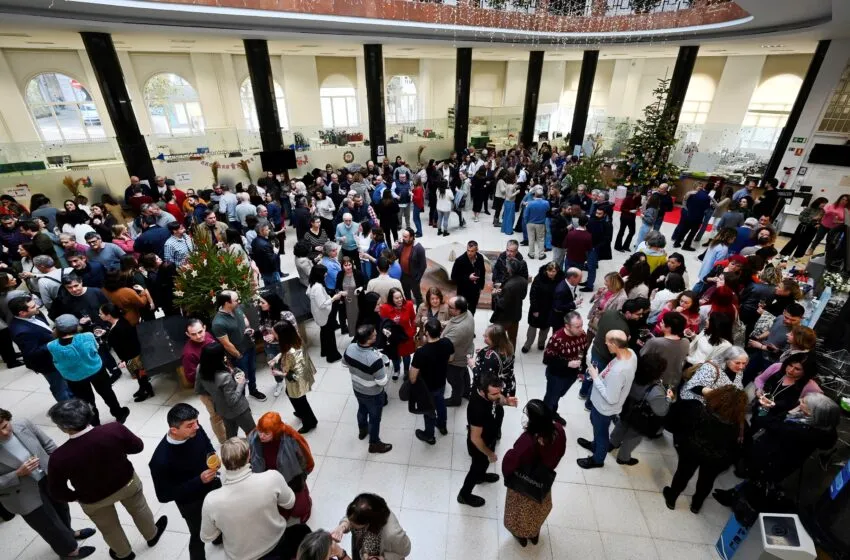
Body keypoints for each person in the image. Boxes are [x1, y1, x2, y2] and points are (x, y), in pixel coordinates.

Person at [47, 399, 168, 560]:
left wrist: (75, 496)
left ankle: (124, 554)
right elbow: (138, 447)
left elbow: (57, 490)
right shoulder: (113, 429)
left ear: (64, 427)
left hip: (93, 499)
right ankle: (152, 535)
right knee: (140, 509)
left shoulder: (58, 457)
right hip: (127, 483)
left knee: (109, 527)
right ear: (90, 414)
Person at [0, 407, 97, 559]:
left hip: (47, 476)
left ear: (8, 419)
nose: (4, 433)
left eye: (5, 426)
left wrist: (56, 466)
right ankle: (69, 552)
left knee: (62, 508)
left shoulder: (23, 424)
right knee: (47, 522)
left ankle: (69, 533)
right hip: (21, 491)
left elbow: (48, 445)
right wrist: (17, 474)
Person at [200, 437, 297, 560]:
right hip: (276, 542)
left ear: (223, 462)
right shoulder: (272, 478)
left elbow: (207, 537)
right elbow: (290, 503)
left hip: (240, 556)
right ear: (249, 455)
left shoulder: (211, 500)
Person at [148, 404, 219, 560]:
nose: (197, 427)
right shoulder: (160, 460)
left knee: (218, 519)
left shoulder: (195, 431)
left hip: (213, 487)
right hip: (191, 503)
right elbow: (164, 495)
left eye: (196, 421)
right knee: (198, 534)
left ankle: (218, 538)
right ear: (174, 430)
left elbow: (206, 444)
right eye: (190, 425)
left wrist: (212, 454)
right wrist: (198, 481)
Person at [663, 386, 747, 513]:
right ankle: (696, 505)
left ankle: (671, 498)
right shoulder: (740, 426)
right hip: (716, 459)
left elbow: (680, 425)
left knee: (683, 474)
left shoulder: (699, 410)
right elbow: (736, 449)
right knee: (706, 482)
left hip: (692, 450)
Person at [501, 399, 566, 547]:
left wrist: (508, 475)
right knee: (536, 513)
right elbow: (561, 452)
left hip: (524, 485)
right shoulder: (559, 430)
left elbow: (511, 463)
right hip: (542, 481)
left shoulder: (527, 441)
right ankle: (534, 534)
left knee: (519, 514)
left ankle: (521, 537)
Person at [47, 314, 129, 426]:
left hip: (74, 377)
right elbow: (96, 348)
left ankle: (95, 423)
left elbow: (56, 360)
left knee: (86, 401)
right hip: (96, 370)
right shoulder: (87, 336)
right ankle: (119, 414)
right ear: (76, 326)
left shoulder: (51, 345)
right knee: (107, 393)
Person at [577, 330, 638, 469]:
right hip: (600, 403)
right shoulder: (631, 353)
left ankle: (598, 459)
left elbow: (611, 398)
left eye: (608, 341)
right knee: (598, 429)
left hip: (604, 408)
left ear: (615, 344)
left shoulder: (619, 371)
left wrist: (595, 378)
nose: (605, 343)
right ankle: (595, 446)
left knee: (601, 433)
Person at [457, 375, 518, 508]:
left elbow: (498, 399)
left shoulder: (491, 394)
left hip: (490, 438)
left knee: (483, 465)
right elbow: (475, 438)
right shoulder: (477, 408)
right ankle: (464, 494)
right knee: (476, 468)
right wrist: (489, 453)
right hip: (480, 446)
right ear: (483, 391)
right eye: (494, 393)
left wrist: (507, 401)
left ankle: (481, 476)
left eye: (499, 391)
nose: (498, 395)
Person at [248, 412, 315, 524]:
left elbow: (305, 455)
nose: (261, 436)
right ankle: (285, 511)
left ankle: (304, 510)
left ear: (275, 432)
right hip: (268, 478)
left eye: (266, 433)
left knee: (299, 500)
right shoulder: (254, 437)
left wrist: (306, 471)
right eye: (260, 431)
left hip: (291, 476)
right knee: (278, 499)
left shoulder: (291, 437)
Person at [609, 353, 672, 466]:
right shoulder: (655, 391)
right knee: (633, 437)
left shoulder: (631, 375)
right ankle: (623, 458)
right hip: (640, 418)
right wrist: (668, 398)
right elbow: (661, 410)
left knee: (621, 425)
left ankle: (612, 443)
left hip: (625, 409)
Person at [7, 296, 73, 402]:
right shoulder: (21, 331)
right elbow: (32, 352)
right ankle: (68, 409)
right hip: (48, 364)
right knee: (60, 388)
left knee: (67, 383)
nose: (37, 306)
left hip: (56, 358)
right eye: (33, 306)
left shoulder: (34, 315)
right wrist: (54, 342)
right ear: (22, 313)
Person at [342, 325, 393, 454]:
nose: (376, 335)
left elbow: (344, 364)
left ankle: (362, 430)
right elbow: (382, 382)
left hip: (357, 388)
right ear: (369, 340)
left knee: (362, 409)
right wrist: (384, 366)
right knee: (375, 419)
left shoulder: (350, 348)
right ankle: (374, 444)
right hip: (373, 394)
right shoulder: (374, 359)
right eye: (374, 335)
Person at [212, 290, 266, 400]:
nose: (239, 301)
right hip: (239, 354)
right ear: (227, 303)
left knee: (252, 370)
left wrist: (248, 328)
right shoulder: (218, 323)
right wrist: (238, 355)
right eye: (236, 300)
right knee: (241, 377)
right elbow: (226, 344)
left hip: (249, 346)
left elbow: (244, 318)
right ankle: (242, 400)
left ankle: (253, 390)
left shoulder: (236, 308)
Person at [195, 342, 255, 438]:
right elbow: (232, 400)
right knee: (252, 433)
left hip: (221, 410)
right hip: (239, 411)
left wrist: (216, 393)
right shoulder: (224, 377)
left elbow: (198, 389)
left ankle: (232, 451)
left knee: (231, 436)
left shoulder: (200, 368)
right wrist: (240, 384)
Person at [269, 320, 318, 434]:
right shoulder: (295, 339)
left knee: (301, 402)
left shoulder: (290, 353)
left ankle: (309, 422)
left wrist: (278, 373)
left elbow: (290, 372)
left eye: (274, 333)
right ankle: (301, 413)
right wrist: (277, 358)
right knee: (295, 397)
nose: (273, 335)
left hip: (296, 380)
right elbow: (285, 351)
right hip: (302, 375)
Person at [410, 318, 454, 445]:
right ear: (440, 331)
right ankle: (442, 426)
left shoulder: (421, 352)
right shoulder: (447, 342)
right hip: (441, 382)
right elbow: (451, 358)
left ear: (426, 333)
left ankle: (429, 435)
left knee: (428, 411)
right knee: (440, 403)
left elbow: (413, 378)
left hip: (427, 388)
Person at [182, 319, 226, 444]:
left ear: (205, 328)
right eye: (193, 334)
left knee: (225, 410)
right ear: (188, 335)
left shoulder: (208, 336)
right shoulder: (188, 354)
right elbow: (190, 378)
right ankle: (224, 441)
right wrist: (206, 368)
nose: (198, 336)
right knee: (216, 416)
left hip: (220, 382)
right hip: (207, 391)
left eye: (200, 332)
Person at [98, 303, 153, 402]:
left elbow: (124, 345)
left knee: (139, 374)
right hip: (132, 354)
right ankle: (144, 388)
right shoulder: (121, 321)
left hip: (131, 356)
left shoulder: (118, 328)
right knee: (139, 374)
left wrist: (123, 360)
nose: (99, 315)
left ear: (109, 315)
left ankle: (146, 390)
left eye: (101, 313)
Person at [330, 494, 410, 560]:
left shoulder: (393, 534)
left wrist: (382, 558)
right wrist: (342, 526)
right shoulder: (364, 507)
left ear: (369, 522)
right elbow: (352, 516)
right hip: (362, 548)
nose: (351, 526)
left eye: (354, 525)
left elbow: (405, 551)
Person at [542, 311, 588, 425]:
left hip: (571, 375)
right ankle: (544, 420)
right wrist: (567, 364)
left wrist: (581, 367)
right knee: (551, 398)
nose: (581, 329)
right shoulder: (557, 338)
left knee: (558, 395)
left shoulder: (582, 335)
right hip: (557, 375)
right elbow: (547, 359)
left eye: (581, 325)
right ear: (567, 326)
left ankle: (552, 412)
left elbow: (582, 350)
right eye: (577, 327)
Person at [680, 345, 747, 405]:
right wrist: (718, 394)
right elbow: (694, 387)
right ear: (727, 360)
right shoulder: (711, 368)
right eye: (737, 363)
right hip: (694, 404)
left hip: (714, 408)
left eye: (744, 363)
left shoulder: (739, 372)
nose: (741, 366)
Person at [641, 311, 690, 389]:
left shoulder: (655, 342)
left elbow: (642, 357)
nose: (660, 323)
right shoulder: (686, 342)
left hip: (654, 382)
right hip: (674, 381)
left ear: (669, 328)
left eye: (663, 322)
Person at [522, 262, 563, 353]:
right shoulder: (539, 278)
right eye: (549, 271)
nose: (551, 273)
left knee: (545, 328)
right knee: (532, 328)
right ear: (546, 270)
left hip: (550, 309)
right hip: (538, 307)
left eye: (553, 271)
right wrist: (535, 309)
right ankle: (528, 344)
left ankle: (541, 343)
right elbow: (533, 294)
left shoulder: (560, 280)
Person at [308, 264, 345, 363]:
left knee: (324, 332)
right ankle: (332, 355)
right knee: (329, 334)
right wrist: (334, 298)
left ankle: (324, 351)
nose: (326, 274)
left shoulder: (312, 284)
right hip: (323, 313)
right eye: (324, 272)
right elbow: (322, 304)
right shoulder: (318, 287)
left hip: (318, 313)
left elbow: (308, 293)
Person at [442, 295, 475, 406]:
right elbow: (453, 323)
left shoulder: (459, 328)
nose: (447, 307)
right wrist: (447, 324)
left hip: (455, 359)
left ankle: (456, 400)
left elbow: (444, 345)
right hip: (465, 352)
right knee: (463, 373)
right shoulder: (468, 313)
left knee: (454, 380)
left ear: (457, 310)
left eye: (450, 306)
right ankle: (466, 392)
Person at [379, 287, 416, 380]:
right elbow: (383, 323)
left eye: (400, 297)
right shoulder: (385, 308)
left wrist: (413, 331)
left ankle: (406, 371)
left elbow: (413, 319)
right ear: (391, 299)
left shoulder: (409, 304)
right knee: (395, 355)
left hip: (406, 335)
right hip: (393, 337)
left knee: (406, 356)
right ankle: (396, 370)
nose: (399, 300)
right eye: (396, 298)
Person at [491, 258, 528, 349]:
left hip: (505, 317)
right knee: (512, 338)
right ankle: (511, 356)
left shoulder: (509, 286)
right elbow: (522, 296)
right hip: (516, 314)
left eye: (507, 267)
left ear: (510, 269)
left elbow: (501, 304)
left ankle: (500, 355)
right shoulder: (523, 280)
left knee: (498, 337)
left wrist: (495, 295)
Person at [450, 240, 485, 314]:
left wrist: (481, 286)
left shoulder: (480, 257)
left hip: (475, 292)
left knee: (472, 311)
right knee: (461, 312)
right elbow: (453, 277)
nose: (469, 253)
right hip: (463, 292)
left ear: (476, 250)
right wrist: (468, 277)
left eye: (472, 251)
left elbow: (483, 272)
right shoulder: (460, 260)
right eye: (468, 250)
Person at [394, 228, 426, 307]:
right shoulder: (401, 245)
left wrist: (417, 278)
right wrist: (394, 249)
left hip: (413, 277)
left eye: (405, 237)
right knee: (406, 295)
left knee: (417, 296)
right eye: (403, 236)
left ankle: (419, 312)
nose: (403, 238)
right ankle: (409, 310)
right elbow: (394, 257)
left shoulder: (419, 248)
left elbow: (423, 266)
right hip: (403, 276)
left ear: (411, 237)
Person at [584, 206, 614, 291]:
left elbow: (608, 239)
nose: (597, 215)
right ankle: (588, 281)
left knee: (592, 267)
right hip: (590, 246)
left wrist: (596, 247)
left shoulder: (607, 224)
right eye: (596, 213)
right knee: (589, 265)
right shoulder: (594, 219)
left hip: (595, 248)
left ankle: (589, 286)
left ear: (604, 214)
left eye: (599, 214)